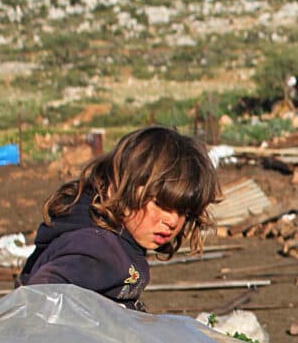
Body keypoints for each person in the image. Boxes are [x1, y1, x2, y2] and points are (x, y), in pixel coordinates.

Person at [18, 126, 220, 310]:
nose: (173, 221)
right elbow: (40, 299)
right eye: (160, 204)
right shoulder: (95, 247)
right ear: (120, 188)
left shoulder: (121, 245)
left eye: (183, 211)